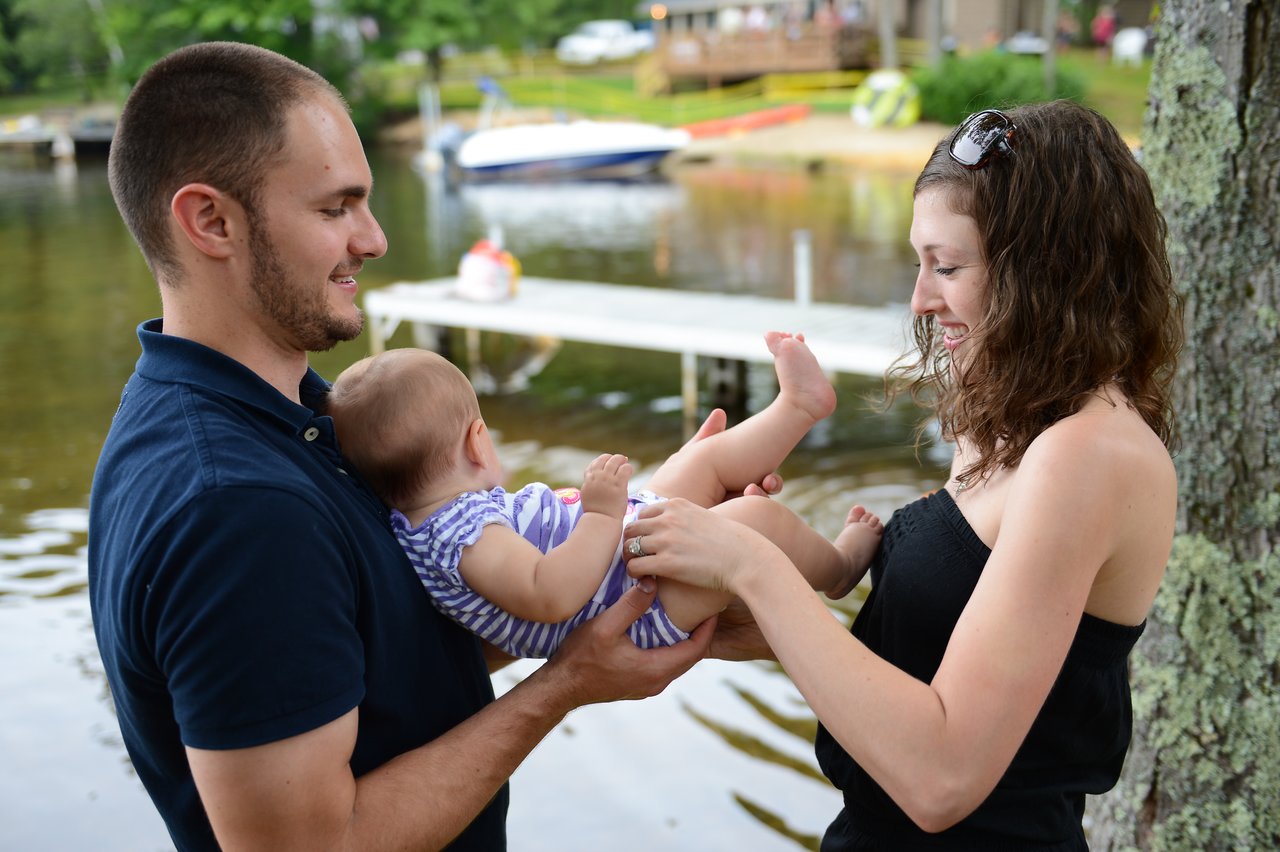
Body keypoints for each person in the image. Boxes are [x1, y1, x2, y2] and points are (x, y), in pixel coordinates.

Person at [86, 41, 774, 852]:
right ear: (212, 221)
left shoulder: (273, 412)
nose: (373, 239)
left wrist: (625, 554)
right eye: (335, 208)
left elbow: (368, 655)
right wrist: (566, 683)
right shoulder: (237, 508)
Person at [621, 100, 1183, 849]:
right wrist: (772, 621)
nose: (920, 299)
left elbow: (942, 777)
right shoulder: (1017, 424)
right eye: (919, 263)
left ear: (1049, 271)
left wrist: (755, 567)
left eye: (947, 266)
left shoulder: (1089, 454)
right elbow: (941, 668)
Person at [327, 337, 883, 658]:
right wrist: (600, 512)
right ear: (478, 441)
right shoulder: (461, 535)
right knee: (750, 519)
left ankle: (798, 406)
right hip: (637, 603)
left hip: (627, 555)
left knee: (701, 460)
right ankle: (838, 569)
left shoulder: (423, 520)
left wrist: (623, 513)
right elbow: (550, 594)